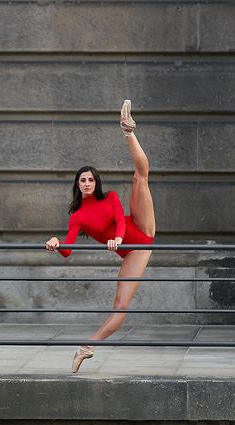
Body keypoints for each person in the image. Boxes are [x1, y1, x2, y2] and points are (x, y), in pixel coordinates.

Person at [45, 100, 156, 372]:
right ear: (77, 185)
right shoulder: (78, 217)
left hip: (139, 229)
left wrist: (118, 239)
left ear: (96, 183)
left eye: (90, 180)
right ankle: (87, 347)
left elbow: (119, 220)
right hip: (134, 251)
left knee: (140, 178)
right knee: (120, 306)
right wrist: (56, 244)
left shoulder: (111, 198)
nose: (86, 183)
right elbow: (69, 250)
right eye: (82, 180)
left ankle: (128, 132)